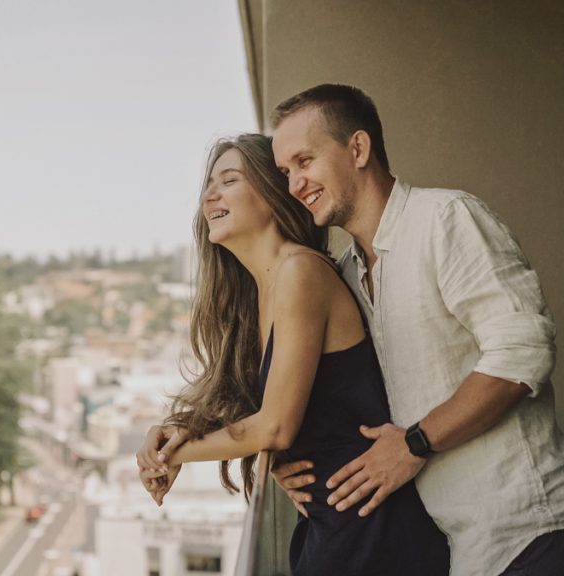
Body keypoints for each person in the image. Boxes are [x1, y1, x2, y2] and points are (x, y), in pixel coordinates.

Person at [267, 84, 564, 576]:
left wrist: (414, 444)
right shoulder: (342, 277)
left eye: (305, 161)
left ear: (358, 149)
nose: (295, 185)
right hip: (459, 548)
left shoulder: (446, 219)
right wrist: (293, 466)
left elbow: (521, 353)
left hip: (531, 527)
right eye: (285, 173)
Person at [135, 134, 449, 575]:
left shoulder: (300, 273)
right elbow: (279, 421)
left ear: (270, 195)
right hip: (335, 523)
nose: (209, 195)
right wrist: (177, 432)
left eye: (228, 181)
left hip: (371, 532)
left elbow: (277, 426)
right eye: (209, 185)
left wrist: (174, 455)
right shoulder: (263, 292)